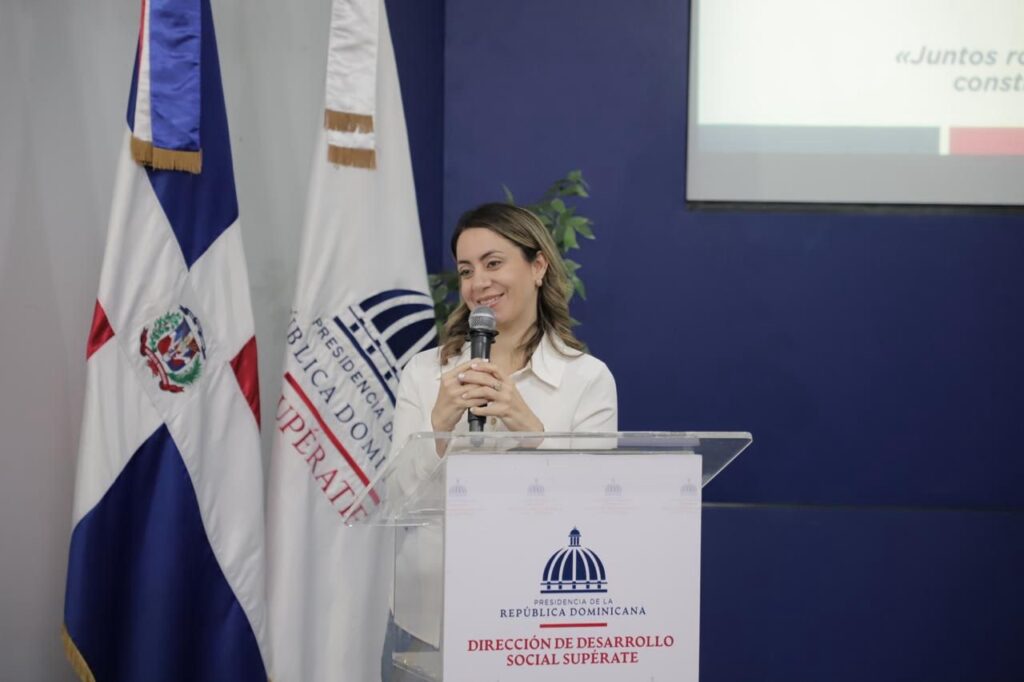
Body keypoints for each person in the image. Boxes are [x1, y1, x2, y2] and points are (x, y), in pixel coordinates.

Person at [382, 203, 618, 679]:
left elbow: (596, 511)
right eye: (467, 270)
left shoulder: (586, 379)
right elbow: (394, 501)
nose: (479, 283)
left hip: (539, 627)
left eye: (493, 263)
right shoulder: (425, 373)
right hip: (430, 622)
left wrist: (531, 431)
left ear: (538, 266)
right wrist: (439, 426)